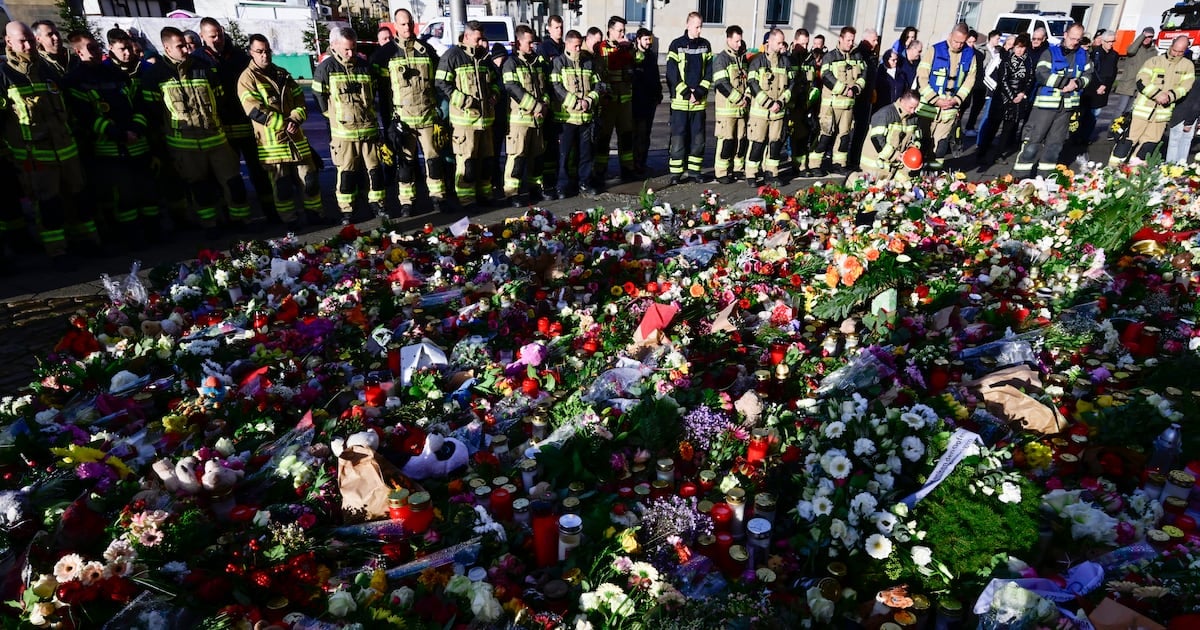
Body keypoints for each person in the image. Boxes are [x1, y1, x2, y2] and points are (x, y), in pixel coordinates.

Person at [1, 21, 94, 269]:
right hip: (36, 156)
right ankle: (58, 252)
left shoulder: (48, 70)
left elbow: (68, 107)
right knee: (48, 204)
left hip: (67, 150)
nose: (28, 44)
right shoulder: (4, 75)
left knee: (79, 198)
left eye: (30, 39)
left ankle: (88, 242)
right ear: (8, 42)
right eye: (22, 40)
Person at [147, 26, 256, 235]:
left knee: (233, 182)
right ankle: (210, 225)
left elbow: (220, 98)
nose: (187, 50)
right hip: (185, 147)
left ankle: (241, 220)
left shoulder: (204, 68)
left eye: (187, 45)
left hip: (216, 140)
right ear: (167, 48)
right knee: (200, 188)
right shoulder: (155, 76)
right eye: (180, 46)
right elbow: (153, 114)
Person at [64, 30, 158, 249]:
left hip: (138, 144)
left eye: (98, 47)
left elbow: (138, 103)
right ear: (78, 52)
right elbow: (85, 116)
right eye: (91, 49)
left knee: (147, 192)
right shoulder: (75, 81)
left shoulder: (116, 74)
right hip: (109, 150)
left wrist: (136, 127)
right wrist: (118, 134)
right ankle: (132, 239)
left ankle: (154, 233)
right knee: (123, 198)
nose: (98, 52)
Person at [237, 34, 326, 230]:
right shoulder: (247, 79)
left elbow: (300, 100)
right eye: (259, 51)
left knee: (310, 181)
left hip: (296, 141)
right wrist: (284, 123)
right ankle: (290, 220)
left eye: (267, 51)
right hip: (273, 146)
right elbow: (253, 109)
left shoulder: (282, 73)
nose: (264, 55)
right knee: (282, 188)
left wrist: (295, 118)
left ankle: (315, 216)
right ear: (251, 53)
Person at [196, 17, 276, 225]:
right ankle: (233, 219)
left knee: (260, 172)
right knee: (228, 178)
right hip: (220, 130)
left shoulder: (239, 57)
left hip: (246, 125)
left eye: (219, 35)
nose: (217, 39)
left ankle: (271, 211)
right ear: (202, 36)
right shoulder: (198, 61)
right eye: (212, 36)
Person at [313, 26, 386, 223]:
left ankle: (377, 205)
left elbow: (375, 95)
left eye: (353, 48)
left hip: (368, 131)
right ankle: (347, 210)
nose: (350, 53)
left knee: (375, 171)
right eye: (346, 49)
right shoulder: (326, 68)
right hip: (343, 135)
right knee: (346, 174)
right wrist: (333, 118)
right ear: (334, 45)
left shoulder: (365, 66)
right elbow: (319, 97)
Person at [378, 9, 446, 217]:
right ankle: (407, 203)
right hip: (403, 121)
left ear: (414, 24)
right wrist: (389, 123)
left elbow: (438, 84)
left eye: (409, 24)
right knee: (405, 164)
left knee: (433, 160)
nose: (407, 28)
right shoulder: (387, 53)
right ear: (395, 26)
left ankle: (438, 199)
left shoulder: (426, 50)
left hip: (426, 116)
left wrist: (439, 113)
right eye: (402, 24)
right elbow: (383, 91)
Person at [1012, 23, 1092, 179]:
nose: (1075, 42)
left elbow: (1089, 76)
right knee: (1032, 143)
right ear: (1065, 34)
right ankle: (1019, 177)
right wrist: (1064, 83)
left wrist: (1077, 83)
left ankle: (1045, 178)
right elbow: (1041, 73)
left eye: (1078, 39)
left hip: (1067, 107)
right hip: (1045, 107)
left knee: (1055, 146)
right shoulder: (1050, 52)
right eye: (1072, 38)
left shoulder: (1084, 55)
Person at [436, 20, 499, 211]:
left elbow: (496, 80)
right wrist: (464, 101)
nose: (481, 43)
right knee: (467, 163)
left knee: (486, 161)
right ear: (467, 36)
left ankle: (484, 194)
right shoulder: (452, 56)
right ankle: (467, 199)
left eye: (482, 39)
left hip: (485, 121)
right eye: (478, 39)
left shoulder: (484, 57)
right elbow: (441, 83)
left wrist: (494, 94)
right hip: (465, 122)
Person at [1110, 35, 1195, 167]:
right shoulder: (1154, 61)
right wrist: (1157, 95)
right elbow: (1141, 80)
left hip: (1162, 114)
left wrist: (1170, 96)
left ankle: (1134, 172)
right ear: (1171, 46)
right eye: (1174, 50)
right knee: (1126, 141)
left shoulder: (1188, 66)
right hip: (1142, 111)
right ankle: (1111, 169)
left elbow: (1186, 87)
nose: (1176, 54)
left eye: (1180, 52)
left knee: (1149, 144)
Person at [915, 23, 976, 171]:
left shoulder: (970, 54)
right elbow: (922, 77)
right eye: (956, 41)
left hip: (950, 109)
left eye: (962, 42)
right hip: (928, 108)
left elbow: (970, 80)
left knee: (940, 145)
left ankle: (933, 175)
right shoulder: (934, 50)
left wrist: (957, 99)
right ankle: (917, 173)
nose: (959, 45)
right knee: (922, 141)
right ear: (950, 36)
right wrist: (936, 99)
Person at [502, 25, 549, 205]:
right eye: (529, 43)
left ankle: (535, 188)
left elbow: (543, 88)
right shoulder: (510, 63)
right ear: (518, 42)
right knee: (517, 157)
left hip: (537, 120)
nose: (533, 46)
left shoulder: (536, 63)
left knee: (536, 157)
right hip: (519, 120)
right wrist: (536, 106)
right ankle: (512, 193)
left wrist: (544, 104)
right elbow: (513, 88)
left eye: (534, 42)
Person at [549, 29, 599, 198]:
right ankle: (562, 186)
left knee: (585, 154)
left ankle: (584, 183)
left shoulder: (588, 63)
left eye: (580, 46)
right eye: (576, 46)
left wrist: (589, 101)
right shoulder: (559, 62)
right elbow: (556, 87)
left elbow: (597, 85)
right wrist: (575, 102)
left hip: (585, 118)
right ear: (567, 44)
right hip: (567, 118)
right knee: (564, 154)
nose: (579, 49)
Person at [665, 12, 713, 184]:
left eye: (701, 26)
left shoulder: (706, 45)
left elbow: (709, 72)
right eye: (696, 26)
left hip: (698, 104)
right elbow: (672, 72)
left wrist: (699, 92)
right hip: (680, 103)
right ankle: (676, 174)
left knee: (698, 139)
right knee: (678, 138)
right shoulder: (676, 45)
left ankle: (694, 172)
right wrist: (687, 93)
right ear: (688, 25)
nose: (699, 30)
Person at [810, 26, 864, 176]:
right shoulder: (830, 57)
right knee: (824, 135)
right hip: (831, 105)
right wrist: (844, 89)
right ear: (840, 39)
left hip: (848, 106)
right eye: (848, 40)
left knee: (844, 137)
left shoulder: (857, 57)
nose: (851, 43)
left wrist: (856, 88)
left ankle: (839, 164)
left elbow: (863, 75)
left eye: (852, 40)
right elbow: (826, 75)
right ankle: (815, 164)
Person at [976, 33, 1034, 166]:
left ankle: (999, 154)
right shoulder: (1006, 59)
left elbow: (1030, 78)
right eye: (1017, 47)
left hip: (1018, 99)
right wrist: (1012, 96)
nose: (1019, 50)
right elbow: (1002, 79)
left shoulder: (1028, 61)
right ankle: (981, 153)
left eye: (1022, 47)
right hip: (1001, 98)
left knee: (1008, 129)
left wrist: (1022, 93)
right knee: (992, 127)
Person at [744, 28, 791, 187]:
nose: (781, 45)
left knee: (775, 144)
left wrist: (781, 102)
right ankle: (751, 174)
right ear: (769, 42)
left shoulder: (785, 62)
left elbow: (791, 86)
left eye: (782, 42)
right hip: (760, 113)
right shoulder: (757, 61)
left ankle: (772, 173)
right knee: (757, 144)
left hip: (778, 114)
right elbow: (753, 84)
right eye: (778, 42)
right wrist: (769, 103)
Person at [593, 16, 636, 185]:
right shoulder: (601, 49)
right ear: (610, 30)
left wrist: (631, 48)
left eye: (624, 31)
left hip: (625, 101)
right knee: (604, 137)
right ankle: (600, 170)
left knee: (626, 136)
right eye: (619, 30)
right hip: (608, 102)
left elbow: (638, 62)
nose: (622, 34)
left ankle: (627, 168)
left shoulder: (627, 48)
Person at [712, 25, 749, 184]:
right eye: (736, 41)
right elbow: (721, 83)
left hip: (741, 110)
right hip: (727, 110)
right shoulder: (721, 59)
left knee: (741, 140)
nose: (739, 44)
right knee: (726, 141)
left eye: (740, 41)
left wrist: (746, 97)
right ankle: (721, 172)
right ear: (728, 40)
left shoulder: (741, 58)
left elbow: (746, 81)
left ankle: (737, 169)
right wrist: (739, 99)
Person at [858, 89, 922, 181]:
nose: (913, 111)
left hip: (895, 167)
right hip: (874, 166)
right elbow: (877, 139)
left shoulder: (914, 119)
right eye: (911, 107)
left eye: (915, 108)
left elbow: (917, 137)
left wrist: (912, 149)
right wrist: (895, 155)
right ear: (902, 101)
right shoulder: (884, 114)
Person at [630, 28, 662, 177]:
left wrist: (658, 93)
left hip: (650, 100)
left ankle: (642, 162)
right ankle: (636, 164)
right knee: (638, 134)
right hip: (638, 100)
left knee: (646, 134)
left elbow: (654, 76)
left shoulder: (650, 56)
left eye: (650, 40)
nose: (648, 42)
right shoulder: (634, 56)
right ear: (638, 39)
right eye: (645, 40)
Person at [1079, 31, 1118, 145]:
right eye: (1109, 41)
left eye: (1113, 41)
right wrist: (1098, 85)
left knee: (1095, 115)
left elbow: (1113, 73)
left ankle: (1086, 137)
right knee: (1086, 114)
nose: (1111, 44)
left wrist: (1105, 86)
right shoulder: (1095, 53)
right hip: (1092, 89)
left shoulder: (1114, 55)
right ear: (1103, 41)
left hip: (1104, 89)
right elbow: (1092, 71)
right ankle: (1078, 136)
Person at [789, 29, 819, 176]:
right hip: (789, 105)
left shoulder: (810, 59)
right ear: (794, 42)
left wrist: (809, 102)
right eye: (801, 43)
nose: (804, 47)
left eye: (807, 44)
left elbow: (814, 84)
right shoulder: (788, 58)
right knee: (779, 138)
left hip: (804, 105)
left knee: (802, 137)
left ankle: (800, 166)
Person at [1113, 28, 1159, 118]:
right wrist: (1142, 36)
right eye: (1145, 36)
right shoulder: (1135, 47)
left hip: (1140, 85)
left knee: (1129, 111)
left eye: (1150, 37)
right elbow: (1130, 51)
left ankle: (1122, 130)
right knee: (1120, 109)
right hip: (1128, 83)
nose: (1147, 39)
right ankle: (1112, 130)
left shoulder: (1153, 52)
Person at [1165, 66, 1200, 164]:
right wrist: (1189, 122)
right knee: (1184, 142)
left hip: (1182, 116)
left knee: (1175, 143)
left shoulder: (1192, 81)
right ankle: (1177, 167)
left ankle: (1170, 168)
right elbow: (1196, 105)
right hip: (1188, 117)